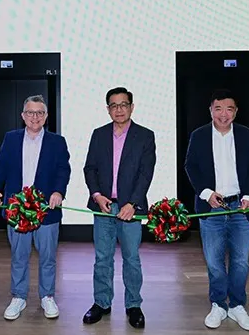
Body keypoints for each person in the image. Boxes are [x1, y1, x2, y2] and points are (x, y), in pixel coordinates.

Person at [184, 88, 249, 332]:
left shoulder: (246, 134)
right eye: (218, 108)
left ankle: (237, 305)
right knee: (215, 263)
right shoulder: (199, 135)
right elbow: (191, 166)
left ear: (236, 111)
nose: (223, 114)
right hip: (211, 208)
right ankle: (218, 304)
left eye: (229, 109)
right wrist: (206, 194)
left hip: (240, 207)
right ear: (211, 110)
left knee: (240, 262)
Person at [0, 95, 71, 321]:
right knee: (19, 255)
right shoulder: (11, 138)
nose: (35, 117)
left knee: (48, 257)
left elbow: (63, 170)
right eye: (30, 112)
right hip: (17, 211)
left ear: (46, 116)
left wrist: (58, 192)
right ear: (23, 115)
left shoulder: (57, 141)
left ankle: (47, 296)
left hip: (47, 210)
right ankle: (19, 296)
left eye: (40, 113)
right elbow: (0, 166)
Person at [82, 87, 155, 329]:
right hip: (104, 207)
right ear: (108, 109)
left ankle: (133, 305)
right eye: (114, 105)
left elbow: (146, 174)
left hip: (130, 210)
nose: (119, 109)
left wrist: (132, 203)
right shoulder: (99, 134)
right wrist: (97, 195)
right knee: (102, 258)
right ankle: (101, 303)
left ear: (132, 107)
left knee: (131, 258)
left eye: (124, 104)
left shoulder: (145, 136)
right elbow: (89, 168)